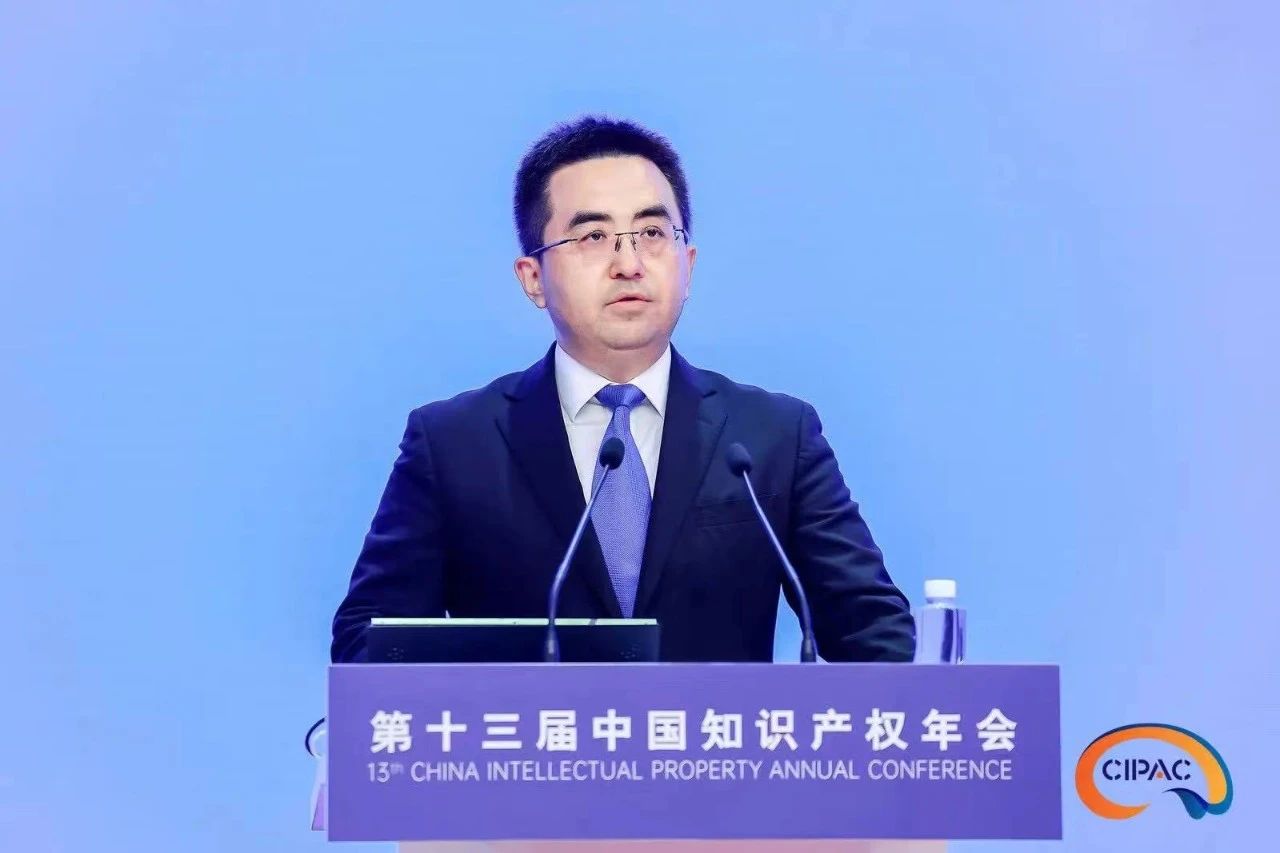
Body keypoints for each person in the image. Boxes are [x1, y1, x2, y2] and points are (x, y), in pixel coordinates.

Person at [331, 116, 915, 663]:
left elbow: (875, 633)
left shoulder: (773, 436)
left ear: (688, 264)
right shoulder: (453, 443)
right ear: (533, 278)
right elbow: (368, 641)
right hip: (530, 742)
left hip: (717, 741)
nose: (629, 263)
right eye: (592, 237)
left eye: (653, 233)